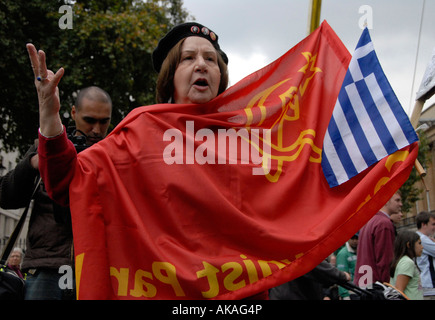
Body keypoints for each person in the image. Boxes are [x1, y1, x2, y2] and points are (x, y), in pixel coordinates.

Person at [0, 86, 112, 300]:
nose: (97, 130)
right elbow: (6, 196)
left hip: (95, 268)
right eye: (90, 120)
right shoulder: (49, 146)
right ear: (73, 113)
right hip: (46, 267)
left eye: (104, 121)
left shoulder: (113, 153)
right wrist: (32, 163)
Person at [354, 191, 402, 287]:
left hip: (364, 283)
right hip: (376, 286)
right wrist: (386, 286)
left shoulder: (369, 220)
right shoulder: (384, 223)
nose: (401, 204)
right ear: (386, 200)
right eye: (397, 200)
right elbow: (385, 261)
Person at [268, 260, 351, 300]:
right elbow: (314, 264)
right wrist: (342, 276)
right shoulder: (301, 245)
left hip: (282, 292)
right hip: (293, 295)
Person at [390, 230, 423, 300]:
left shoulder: (401, 260)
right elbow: (399, 291)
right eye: (419, 243)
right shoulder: (407, 262)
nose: (422, 247)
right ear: (408, 245)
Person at [416, 211, 435, 299]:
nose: (434, 227)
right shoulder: (422, 239)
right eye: (433, 224)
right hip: (429, 286)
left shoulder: (421, 238)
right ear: (424, 224)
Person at [336, 234, 358, 299]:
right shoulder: (343, 254)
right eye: (352, 238)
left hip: (360, 290)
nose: (354, 241)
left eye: (356, 238)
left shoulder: (361, 251)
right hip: (350, 292)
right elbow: (341, 275)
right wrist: (345, 295)